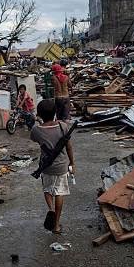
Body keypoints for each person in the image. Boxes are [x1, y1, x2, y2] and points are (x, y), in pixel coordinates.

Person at [30, 98, 75, 235]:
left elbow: (35, 138)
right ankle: (56, 225)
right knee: (59, 192)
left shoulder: (36, 130)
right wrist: (72, 162)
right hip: (61, 166)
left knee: (48, 189)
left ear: (40, 114)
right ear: (55, 112)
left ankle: (50, 208)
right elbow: (69, 147)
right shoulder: (63, 127)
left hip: (46, 166)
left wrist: (38, 121)